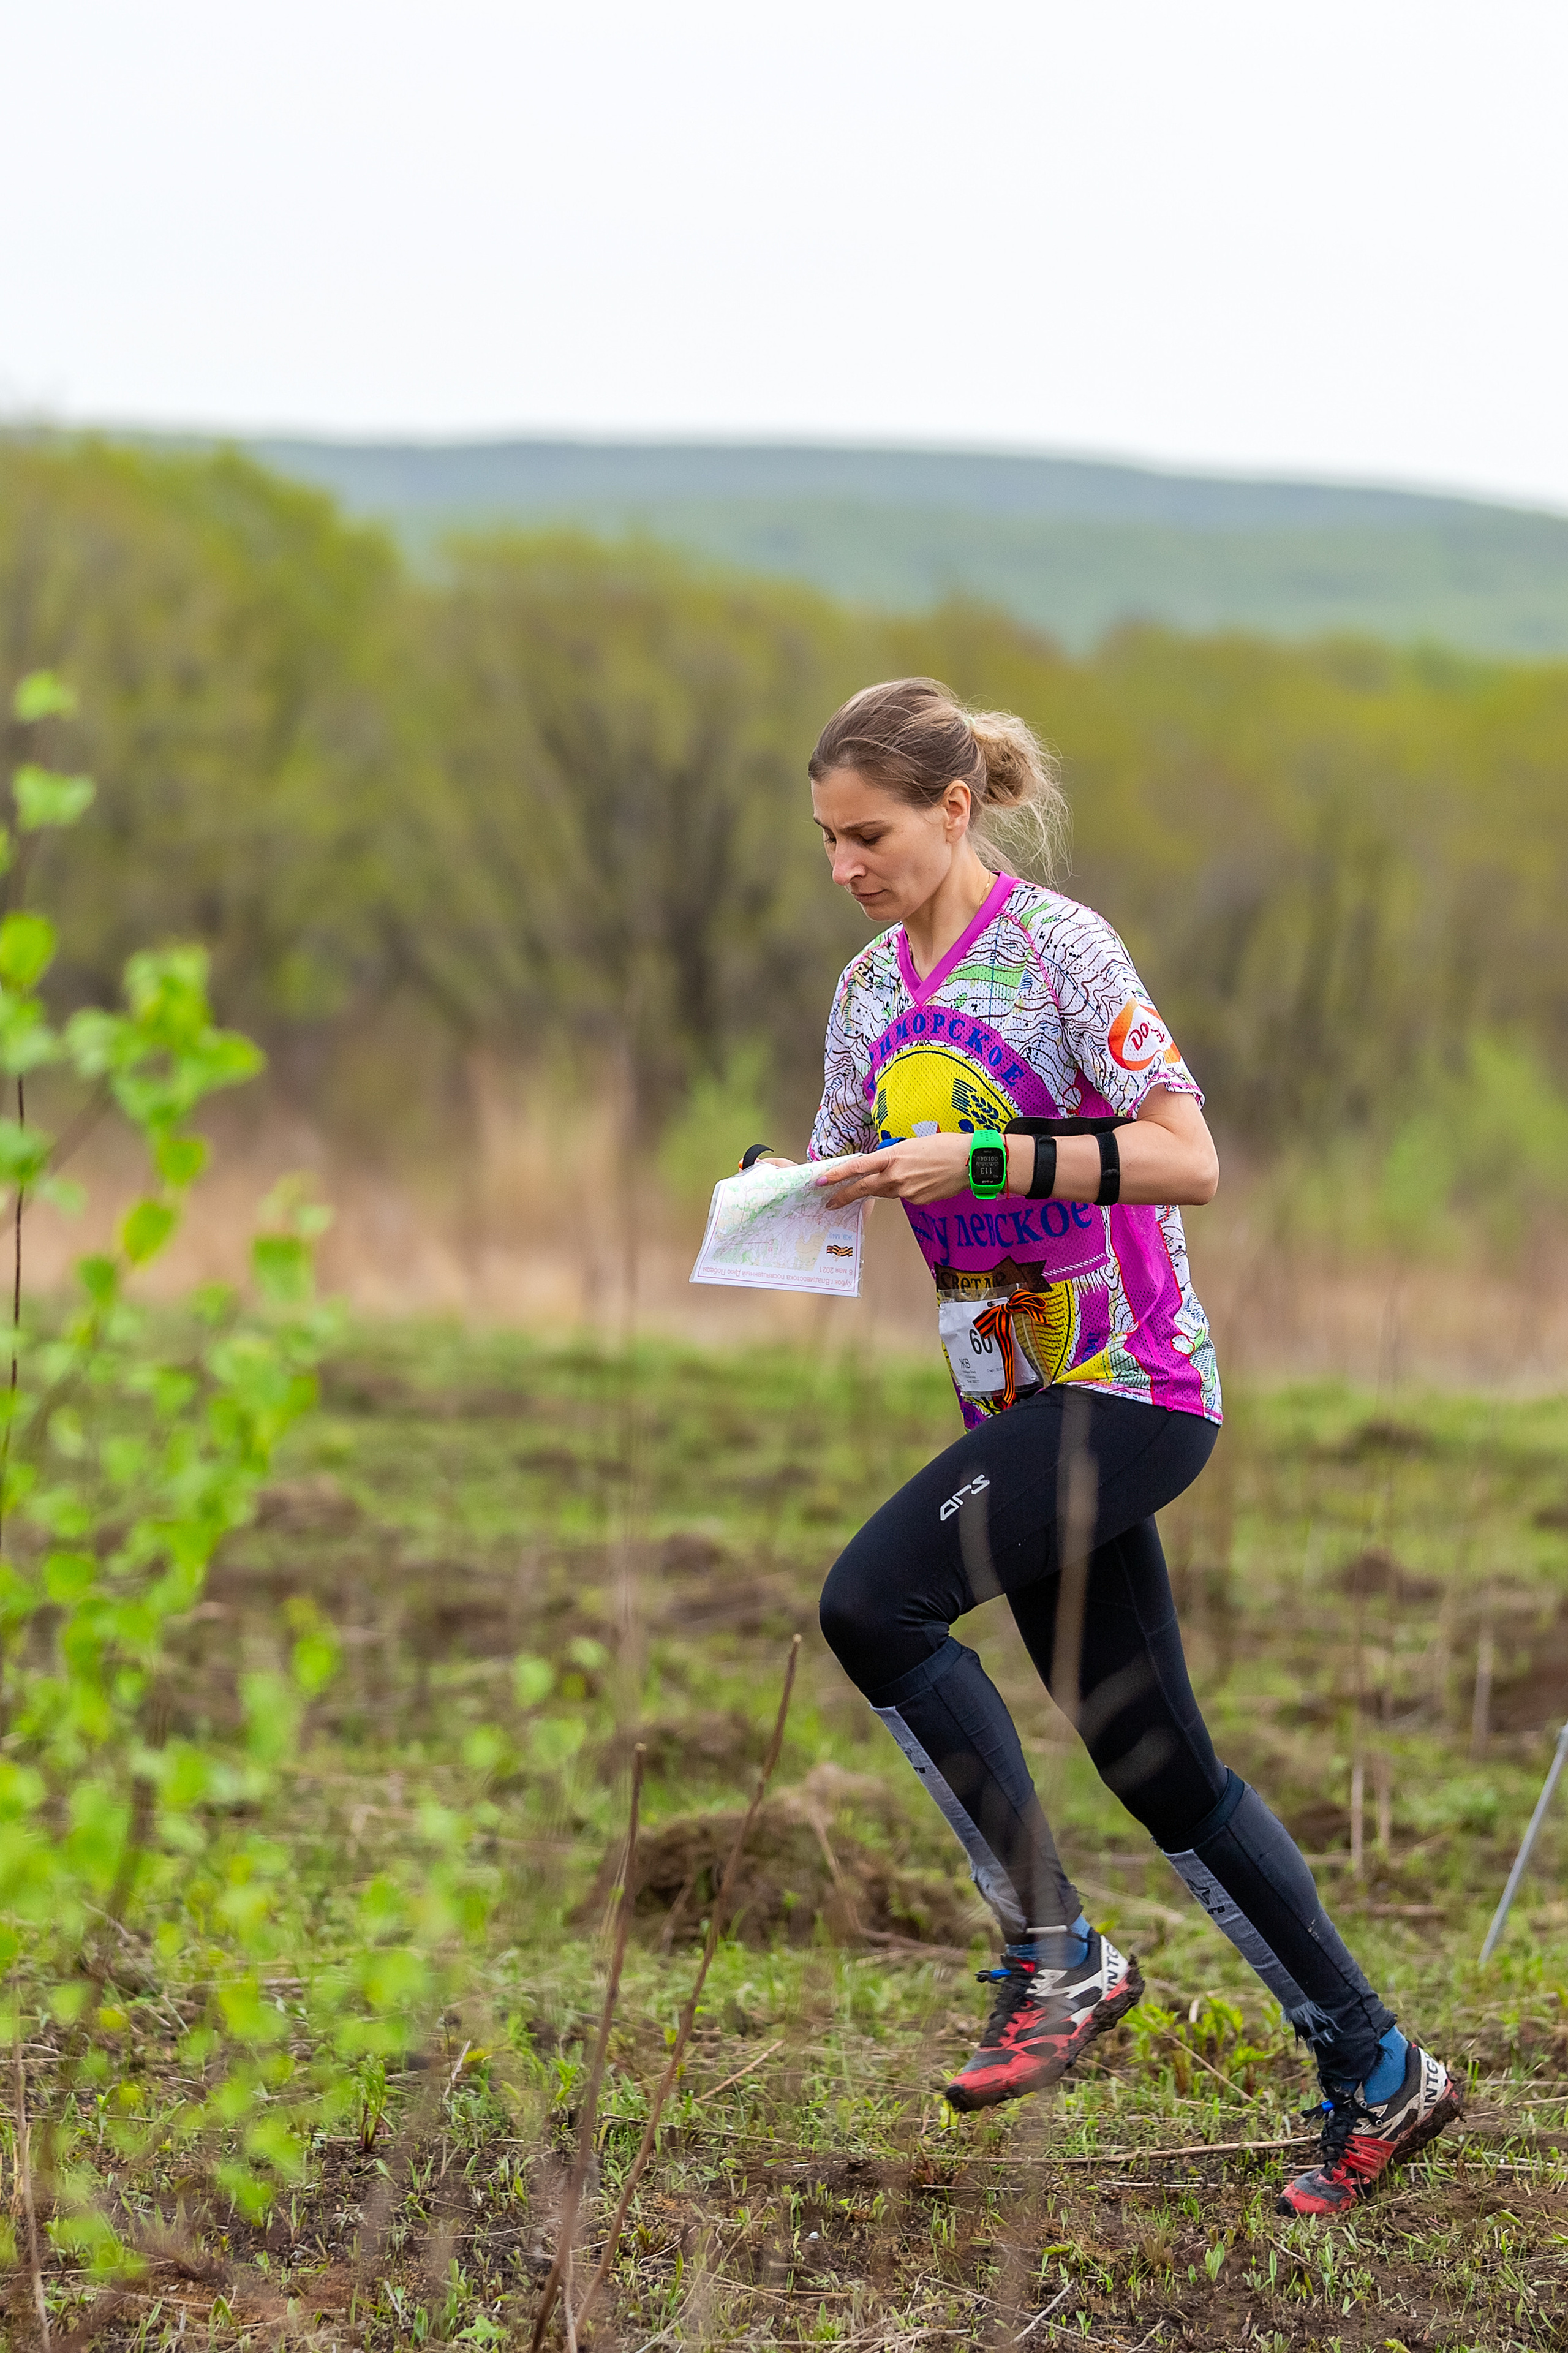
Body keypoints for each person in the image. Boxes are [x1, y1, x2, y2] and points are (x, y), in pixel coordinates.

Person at [761, 677, 1460, 2219]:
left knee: (871, 1606)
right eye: (824, 840)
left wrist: (990, 1152)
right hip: (1007, 1404)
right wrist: (784, 1191)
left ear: (954, 807)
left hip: (1128, 1386)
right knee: (1160, 1764)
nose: (843, 867)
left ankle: (1052, 1950)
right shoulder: (869, 991)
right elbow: (851, 1162)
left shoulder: (1061, 951)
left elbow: (1185, 1156)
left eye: (864, 834)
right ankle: (1376, 2065)